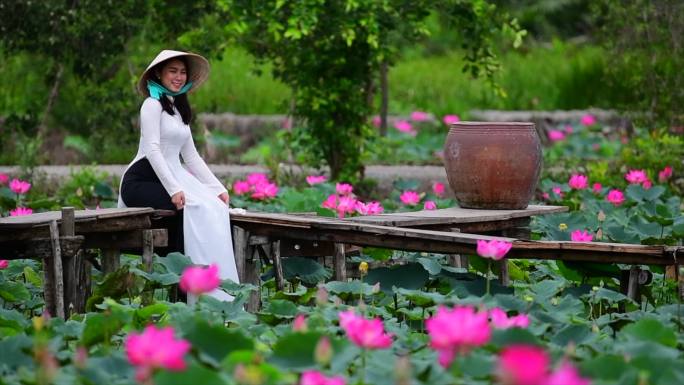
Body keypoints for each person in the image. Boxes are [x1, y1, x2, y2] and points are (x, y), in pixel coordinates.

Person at [117, 49, 239, 301]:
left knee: (214, 207)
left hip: (174, 176)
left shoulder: (178, 109)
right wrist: (174, 189)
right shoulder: (151, 105)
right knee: (190, 208)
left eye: (182, 72)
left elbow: (191, 156)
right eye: (172, 71)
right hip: (142, 179)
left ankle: (214, 290)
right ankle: (184, 293)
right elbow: (152, 149)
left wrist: (217, 188)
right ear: (159, 74)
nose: (179, 77)